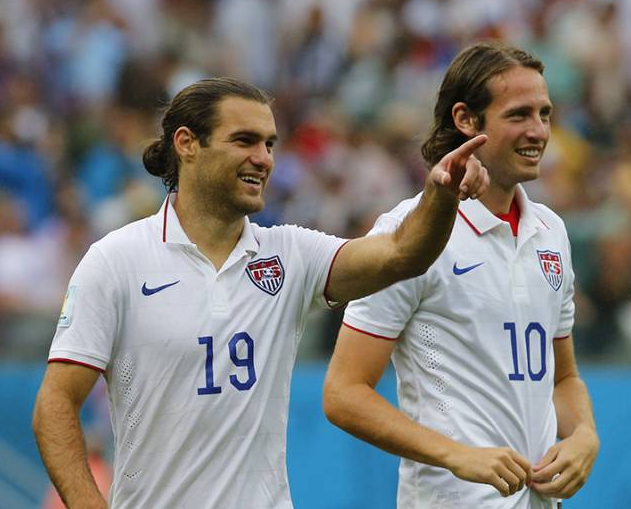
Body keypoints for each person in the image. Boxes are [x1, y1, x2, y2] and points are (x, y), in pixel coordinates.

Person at [32, 77, 490, 508]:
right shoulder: (116, 261)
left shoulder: (290, 253)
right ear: (187, 144)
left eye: (269, 144)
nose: (264, 158)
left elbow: (399, 254)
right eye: (244, 140)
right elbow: (55, 405)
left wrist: (440, 195)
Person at [322, 42, 600, 508]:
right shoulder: (407, 236)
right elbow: (343, 393)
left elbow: (563, 378)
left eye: (545, 114)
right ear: (466, 120)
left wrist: (585, 436)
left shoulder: (551, 231)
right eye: (519, 115)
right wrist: (456, 456)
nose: (538, 131)